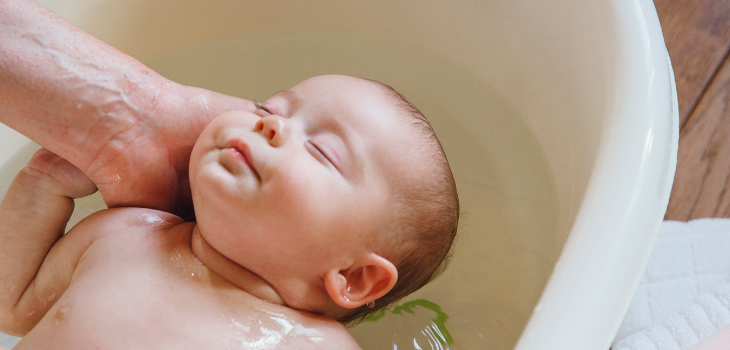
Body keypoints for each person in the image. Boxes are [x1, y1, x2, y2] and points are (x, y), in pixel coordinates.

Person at [0, 74, 459, 348]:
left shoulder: (313, 344)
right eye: (268, 108)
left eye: (321, 151)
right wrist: (43, 182)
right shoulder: (123, 233)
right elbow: (14, 307)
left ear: (355, 277)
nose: (272, 124)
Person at [1, 0, 257, 220]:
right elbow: (17, 278)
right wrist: (42, 184)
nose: (275, 125)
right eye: (274, 109)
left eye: (300, 141)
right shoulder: (131, 236)